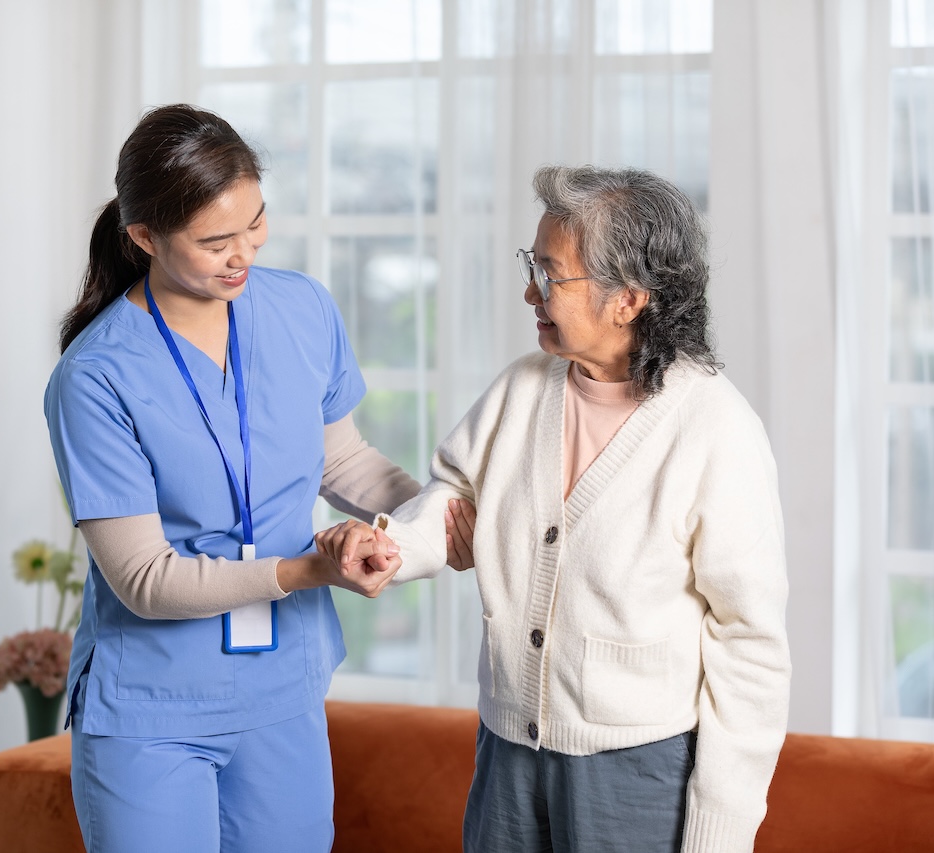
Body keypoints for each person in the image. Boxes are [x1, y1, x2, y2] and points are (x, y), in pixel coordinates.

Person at [316, 165, 792, 853]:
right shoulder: (522, 388)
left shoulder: (715, 427)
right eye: (531, 264)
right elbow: (451, 496)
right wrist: (395, 547)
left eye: (551, 273)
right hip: (509, 752)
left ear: (628, 297)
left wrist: (721, 833)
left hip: (636, 769)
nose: (530, 291)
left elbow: (750, 645)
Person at [44, 103, 473, 853]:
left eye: (256, 223)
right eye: (215, 241)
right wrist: (310, 568)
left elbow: (344, 461)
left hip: (283, 691)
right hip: (153, 707)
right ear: (143, 237)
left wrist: (436, 518)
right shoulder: (95, 376)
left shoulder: (301, 308)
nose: (244, 253)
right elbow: (143, 577)